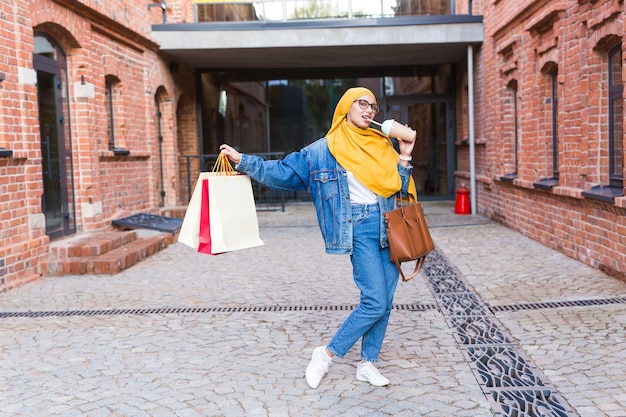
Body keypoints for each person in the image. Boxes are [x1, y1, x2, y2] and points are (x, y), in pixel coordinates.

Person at [219, 86, 417, 389]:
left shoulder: (382, 145)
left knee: (385, 301)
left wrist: (404, 157)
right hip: (358, 228)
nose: (368, 110)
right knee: (375, 300)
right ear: (346, 107)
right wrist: (244, 161)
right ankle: (326, 354)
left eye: (373, 107)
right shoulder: (323, 150)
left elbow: (400, 190)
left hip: (388, 225)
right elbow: (283, 172)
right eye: (361, 103)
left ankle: (367, 363)